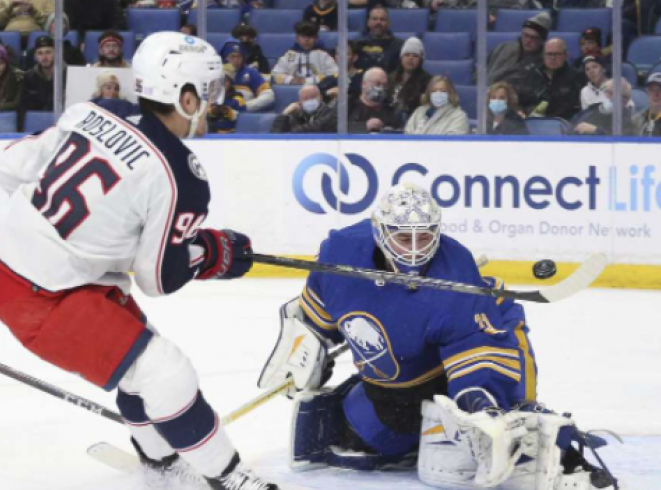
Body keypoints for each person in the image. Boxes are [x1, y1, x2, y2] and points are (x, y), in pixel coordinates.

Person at [0, 31, 276, 490]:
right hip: (44, 296)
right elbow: (157, 277)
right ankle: (229, 477)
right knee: (165, 371)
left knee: (141, 356)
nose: (212, 103)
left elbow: (11, 168)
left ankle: (160, 466)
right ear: (183, 96)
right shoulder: (180, 174)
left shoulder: (94, 109)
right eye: (208, 91)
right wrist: (209, 253)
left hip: (13, 266)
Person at [257, 183, 616, 490]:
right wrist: (303, 353)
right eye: (402, 236)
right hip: (388, 387)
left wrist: (481, 404)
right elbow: (314, 316)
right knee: (358, 438)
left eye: (425, 235)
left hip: (437, 378)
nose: (414, 248)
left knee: (498, 314)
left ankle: (527, 426)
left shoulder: (456, 275)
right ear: (380, 232)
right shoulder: (340, 254)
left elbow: (474, 354)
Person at [514, 37, 581, 120]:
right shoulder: (531, 75)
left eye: (557, 54)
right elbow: (520, 101)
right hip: (530, 123)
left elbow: (575, 108)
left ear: (566, 55)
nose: (552, 58)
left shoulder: (577, 76)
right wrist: (520, 111)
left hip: (563, 125)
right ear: (543, 55)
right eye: (549, 54)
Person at [487, 11, 548, 85]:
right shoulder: (502, 48)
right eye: (526, 35)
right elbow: (481, 70)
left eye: (533, 37)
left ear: (542, 40)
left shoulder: (545, 61)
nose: (528, 41)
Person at [272, 21, 339, 86]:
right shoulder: (289, 55)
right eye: (303, 36)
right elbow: (275, 74)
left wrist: (310, 80)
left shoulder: (324, 55)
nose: (306, 40)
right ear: (297, 38)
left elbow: (335, 73)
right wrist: (290, 80)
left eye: (310, 36)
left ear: (316, 38)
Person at [219, 37, 274, 112]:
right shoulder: (216, 73)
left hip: (244, 115)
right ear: (224, 58)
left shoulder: (251, 72)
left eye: (239, 56)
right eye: (232, 56)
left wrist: (245, 106)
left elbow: (269, 96)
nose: (236, 60)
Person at [404, 75, 469, 135]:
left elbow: (452, 143)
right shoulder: (419, 112)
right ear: (429, 93)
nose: (438, 94)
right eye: (434, 91)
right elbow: (407, 134)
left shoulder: (459, 116)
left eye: (443, 91)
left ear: (450, 93)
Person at [387, 36, 431, 119]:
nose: (410, 58)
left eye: (415, 56)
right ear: (401, 58)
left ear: (421, 60)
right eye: (407, 55)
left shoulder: (428, 81)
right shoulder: (390, 78)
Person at [349, 66, 402, 133]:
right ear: (364, 84)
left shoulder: (390, 109)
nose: (381, 88)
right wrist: (364, 126)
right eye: (377, 83)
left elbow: (399, 133)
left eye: (384, 85)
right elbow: (333, 127)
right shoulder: (348, 103)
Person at [18, 34, 55, 128]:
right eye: (40, 53)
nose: (44, 56)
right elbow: (23, 107)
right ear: (35, 56)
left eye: (48, 52)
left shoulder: (67, 74)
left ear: (56, 53)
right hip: (35, 126)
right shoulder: (29, 77)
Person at [356, 5, 404, 73]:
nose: (378, 22)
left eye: (382, 19)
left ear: (388, 23)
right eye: (374, 19)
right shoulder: (358, 44)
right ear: (368, 22)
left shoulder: (399, 45)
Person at [271, 83, 336, 133]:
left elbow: (315, 128)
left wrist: (291, 133)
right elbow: (275, 135)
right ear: (300, 101)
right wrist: (284, 114)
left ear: (320, 98)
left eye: (313, 97)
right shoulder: (294, 115)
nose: (309, 100)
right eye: (306, 98)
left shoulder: (329, 113)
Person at [207, 63, 245, 134]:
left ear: (231, 83)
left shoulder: (238, 98)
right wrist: (212, 111)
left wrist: (228, 111)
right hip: (211, 134)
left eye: (225, 81)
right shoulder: (210, 97)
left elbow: (241, 116)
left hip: (231, 135)